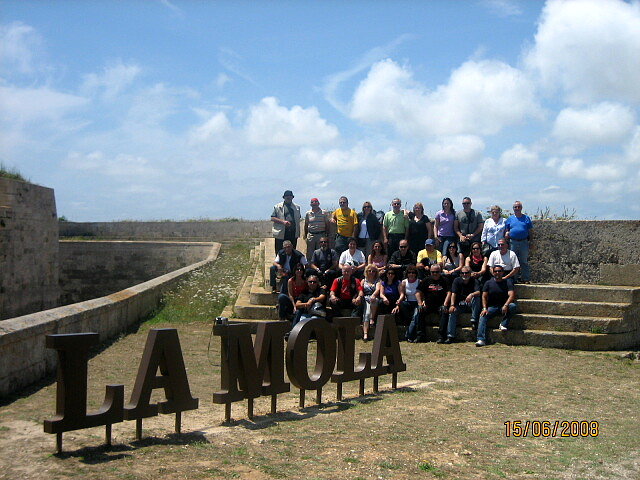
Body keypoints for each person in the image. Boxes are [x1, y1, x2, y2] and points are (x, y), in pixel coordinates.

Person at [475, 265, 517, 347]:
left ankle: (504, 324)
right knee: (483, 316)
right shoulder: (488, 283)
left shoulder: (507, 282)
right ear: (493, 273)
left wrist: (505, 305)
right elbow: (484, 296)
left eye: (499, 271)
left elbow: (511, 295)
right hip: (492, 307)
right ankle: (481, 339)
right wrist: (484, 308)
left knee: (513, 306)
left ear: (503, 272)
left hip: (504, 306)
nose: (497, 273)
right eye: (495, 271)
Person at [412, 264, 450, 343]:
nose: (435, 274)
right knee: (420, 311)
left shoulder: (445, 280)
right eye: (433, 272)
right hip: (428, 305)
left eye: (437, 272)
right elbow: (418, 292)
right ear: (430, 272)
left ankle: (441, 337)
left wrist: (445, 304)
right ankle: (420, 336)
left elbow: (449, 292)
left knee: (444, 313)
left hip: (440, 305)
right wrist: (420, 303)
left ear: (440, 272)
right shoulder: (426, 280)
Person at [446, 266, 481, 343]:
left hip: (471, 304)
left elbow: (478, 292)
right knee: (452, 312)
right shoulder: (456, 281)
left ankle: (474, 320)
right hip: (460, 304)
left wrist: (471, 294)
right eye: (462, 273)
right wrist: (452, 305)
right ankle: (450, 336)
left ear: (470, 273)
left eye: (467, 273)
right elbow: (453, 293)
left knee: (476, 298)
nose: (465, 274)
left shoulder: (475, 281)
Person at [505, 200, 533, 283]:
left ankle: (526, 279)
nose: (517, 208)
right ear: (513, 209)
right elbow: (507, 230)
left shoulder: (526, 218)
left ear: (521, 208)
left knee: (524, 261)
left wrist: (531, 242)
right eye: (515, 207)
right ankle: (514, 279)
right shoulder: (510, 219)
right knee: (513, 261)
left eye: (518, 207)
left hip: (524, 242)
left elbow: (530, 231)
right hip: (513, 242)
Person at [271, 190, 301, 254]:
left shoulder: (297, 207)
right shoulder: (278, 207)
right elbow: (273, 218)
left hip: (293, 233)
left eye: (290, 196)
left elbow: (298, 218)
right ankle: (279, 263)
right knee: (280, 251)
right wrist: (283, 222)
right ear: (284, 197)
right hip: (281, 233)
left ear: (292, 197)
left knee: (292, 251)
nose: (288, 197)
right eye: (287, 196)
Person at [398, 265, 421, 334]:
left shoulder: (419, 282)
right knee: (402, 304)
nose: (411, 274)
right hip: (408, 302)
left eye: (413, 273)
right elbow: (402, 294)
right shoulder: (404, 282)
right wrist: (399, 300)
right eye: (409, 272)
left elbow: (422, 294)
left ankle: (409, 335)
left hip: (417, 302)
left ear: (416, 274)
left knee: (415, 316)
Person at [361, 265, 381, 341]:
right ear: (366, 272)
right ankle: (365, 334)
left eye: (373, 271)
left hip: (374, 297)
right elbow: (360, 290)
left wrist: (373, 295)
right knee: (366, 313)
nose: (371, 272)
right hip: (365, 298)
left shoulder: (378, 280)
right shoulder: (363, 280)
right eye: (369, 271)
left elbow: (377, 289)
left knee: (374, 300)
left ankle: (372, 319)